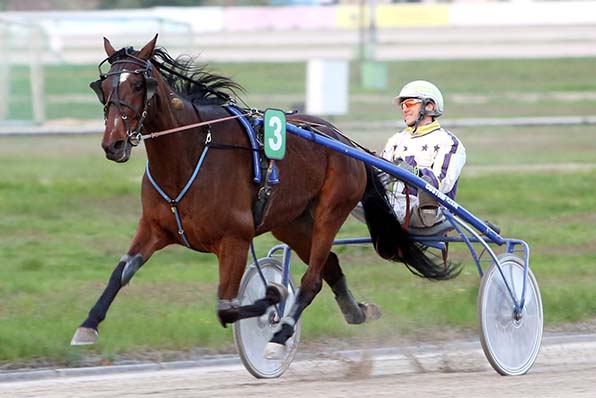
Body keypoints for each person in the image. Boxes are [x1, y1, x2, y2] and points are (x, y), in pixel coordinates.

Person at [380, 80, 466, 228]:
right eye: (402, 105)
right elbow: (378, 177)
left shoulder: (448, 142)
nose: (404, 109)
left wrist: (413, 173)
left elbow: (442, 184)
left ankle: (424, 209)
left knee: (428, 191)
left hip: (427, 210)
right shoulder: (396, 140)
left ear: (429, 106)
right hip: (394, 206)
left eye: (409, 104)